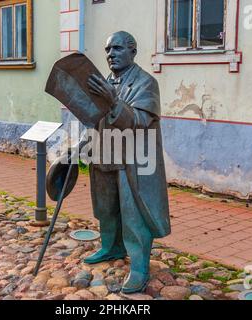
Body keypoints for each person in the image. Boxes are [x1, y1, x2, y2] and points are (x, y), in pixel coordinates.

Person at [83, 31, 171, 294]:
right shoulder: (103, 82)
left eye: (117, 49)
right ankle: (111, 247)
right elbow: (95, 119)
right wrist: (83, 147)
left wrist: (113, 100)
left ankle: (140, 267)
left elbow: (140, 122)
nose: (111, 54)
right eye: (108, 50)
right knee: (106, 207)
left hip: (133, 161)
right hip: (104, 153)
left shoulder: (146, 83)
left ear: (133, 51)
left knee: (134, 215)